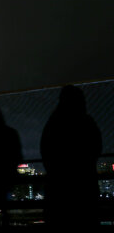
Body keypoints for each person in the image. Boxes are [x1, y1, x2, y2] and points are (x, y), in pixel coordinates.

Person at [40, 85, 102, 229]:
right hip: (84, 185)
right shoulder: (86, 122)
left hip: (58, 188)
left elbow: (47, 151)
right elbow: (96, 147)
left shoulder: (53, 123)